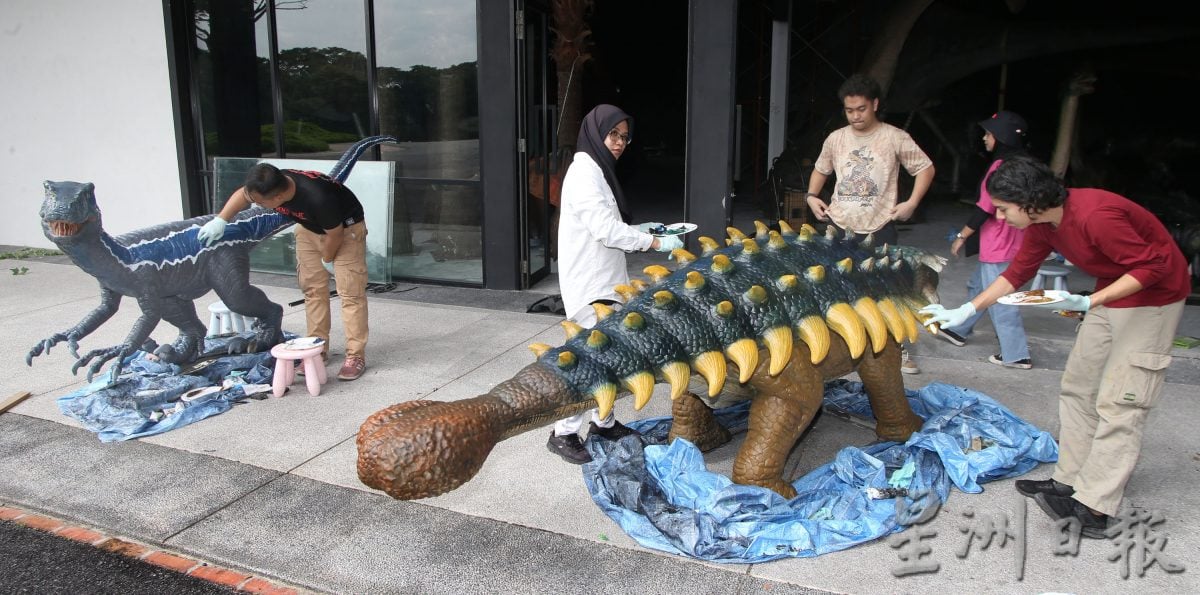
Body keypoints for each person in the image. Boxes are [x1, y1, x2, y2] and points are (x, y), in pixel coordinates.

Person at [921, 156, 1190, 538]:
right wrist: (965, 309)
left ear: (1028, 201)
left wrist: (1087, 303)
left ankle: (1096, 506)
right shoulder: (1044, 224)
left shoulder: (1095, 215)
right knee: (1078, 386)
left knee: (1121, 401)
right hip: (1109, 295)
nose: (999, 217)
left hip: (1154, 299)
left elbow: (1153, 267)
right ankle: (1070, 479)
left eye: (1002, 209)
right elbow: (1016, 274)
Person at [548, 104, 683, 464]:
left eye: (625, 137)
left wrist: (640, 231)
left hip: (605, 281)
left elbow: (608, 223)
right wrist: (653, 243)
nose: (620, 142)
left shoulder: (598, 170)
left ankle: (603, 421)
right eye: (614, 135)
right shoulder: (583, 174)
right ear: (596, 133)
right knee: (586, 361)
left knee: (607, 359)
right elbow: (605, 230)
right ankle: (563, 432)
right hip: (590, 286)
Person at [805, 73, 936, 374]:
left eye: (861, 109)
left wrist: (912, 203)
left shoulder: (894, 137)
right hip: (839, 224)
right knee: (834, 288)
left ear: (875, 104)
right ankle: (836, 350)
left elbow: (925, 168)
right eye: (849, 110)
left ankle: (897, 351)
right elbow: (820, 169)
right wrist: (812, 196)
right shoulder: (836, 138)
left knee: (886, 291)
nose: (855, 116)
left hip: (880, 225)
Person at [198, 164, 370, 381]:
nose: (259, 205)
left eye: (262, 203)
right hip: (309, 228)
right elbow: (243, 194)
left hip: (344, 230)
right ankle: (317, 348)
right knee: (312, 290)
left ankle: (355, 355)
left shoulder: (318, 197)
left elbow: (334, 235)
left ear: (279, 197)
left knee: (350, 294)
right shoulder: (269, 181)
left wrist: (327, 260)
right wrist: (221, 219)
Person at [937, 111, 1034, 370]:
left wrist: (962, 236)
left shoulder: (999, 167)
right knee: (978, 287)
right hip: (1014, 240)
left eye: (989, 133)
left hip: (999, 243)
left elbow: (984, 208)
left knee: (999, 297)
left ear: (1001, 137)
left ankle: (1016, 354)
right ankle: (959, 329)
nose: (984, 137)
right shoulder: (1025, 164)